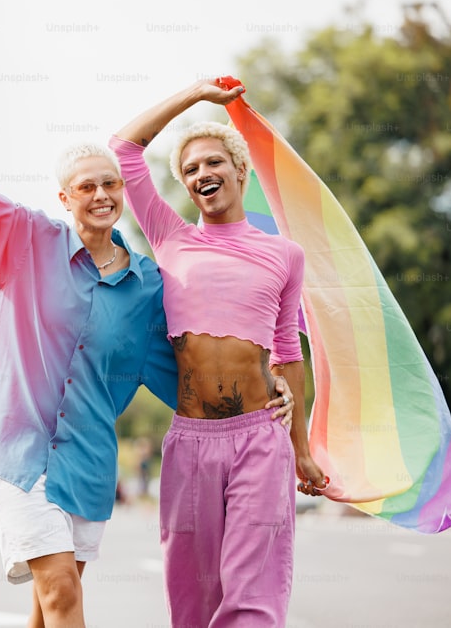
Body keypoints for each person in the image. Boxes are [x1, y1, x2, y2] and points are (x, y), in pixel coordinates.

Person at [0, 32, 293, 628]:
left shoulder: (149, 287)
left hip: (89, 460)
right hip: (17, 447)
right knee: (60, 596)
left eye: (111, 185)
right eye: (87, 187)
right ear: (64, 198)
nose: (102, 194)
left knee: (49, 607)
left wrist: (264, 388)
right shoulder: (28, 239)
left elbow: (194, 361)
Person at [111, 78, 328, 628]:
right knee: (193, 603)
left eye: (212, 162)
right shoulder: (170, 237)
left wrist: (301, 448)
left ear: (239, 170)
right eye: (189, 170)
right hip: (190, 444)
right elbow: (123, 150)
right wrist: (193, 97)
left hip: (261, 439)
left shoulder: (285, 255)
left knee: (252, 600)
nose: (201, 175)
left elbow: (286, 350)